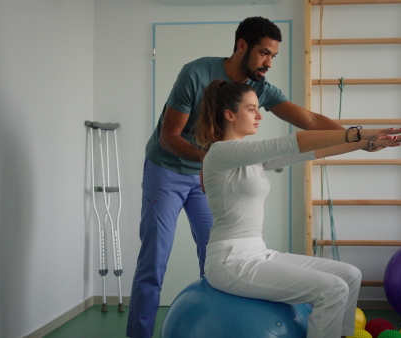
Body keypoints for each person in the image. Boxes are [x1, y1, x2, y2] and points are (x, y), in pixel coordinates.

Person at [128, 16, 361, 337]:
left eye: (273, 56)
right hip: (166, 169)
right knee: (153, 264)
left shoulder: (259, 87)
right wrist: (213, 161)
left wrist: (356, 137)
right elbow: (170, 135)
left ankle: (214, 327)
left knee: (213, 257)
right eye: (264, 53)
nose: (269, 62)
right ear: (241, 46)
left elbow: (307, 118)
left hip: (209, 171)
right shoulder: (195, 74)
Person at [197, 79, 401, 338]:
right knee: (332, 289)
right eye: (252, 109)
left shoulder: (247, 156)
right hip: (230, 261)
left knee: (350, 275)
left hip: (257, 252)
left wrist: (367, 144)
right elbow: (295, 142)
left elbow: (312, 152)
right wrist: (360, 133)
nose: (259, 116)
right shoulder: (221, 153)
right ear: (230, 115)